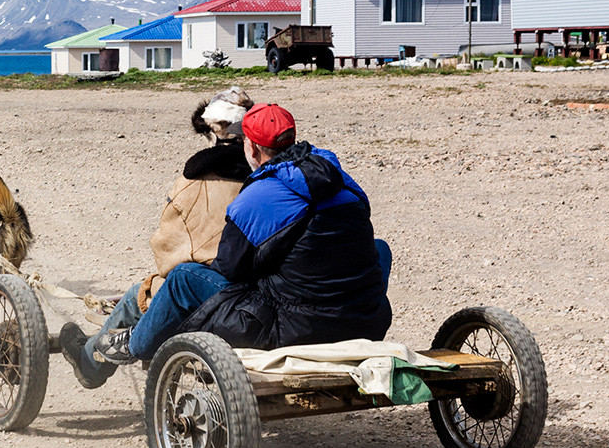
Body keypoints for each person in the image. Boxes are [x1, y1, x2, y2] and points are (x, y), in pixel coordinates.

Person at [65, 102, 391, 381]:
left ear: (250, 147)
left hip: (292, 329)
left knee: (182, 279)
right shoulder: (343, 181)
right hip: (365, 319)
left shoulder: (255, 198)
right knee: (378, 248)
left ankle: (133, 344)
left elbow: (228, 270)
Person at [59, 87, 255, 389]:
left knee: (139, 295)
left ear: (213, 134)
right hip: (262, 289)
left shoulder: (193, 185)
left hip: (218, 293)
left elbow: (168, 252)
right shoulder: (271, 177)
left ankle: (90, 363)